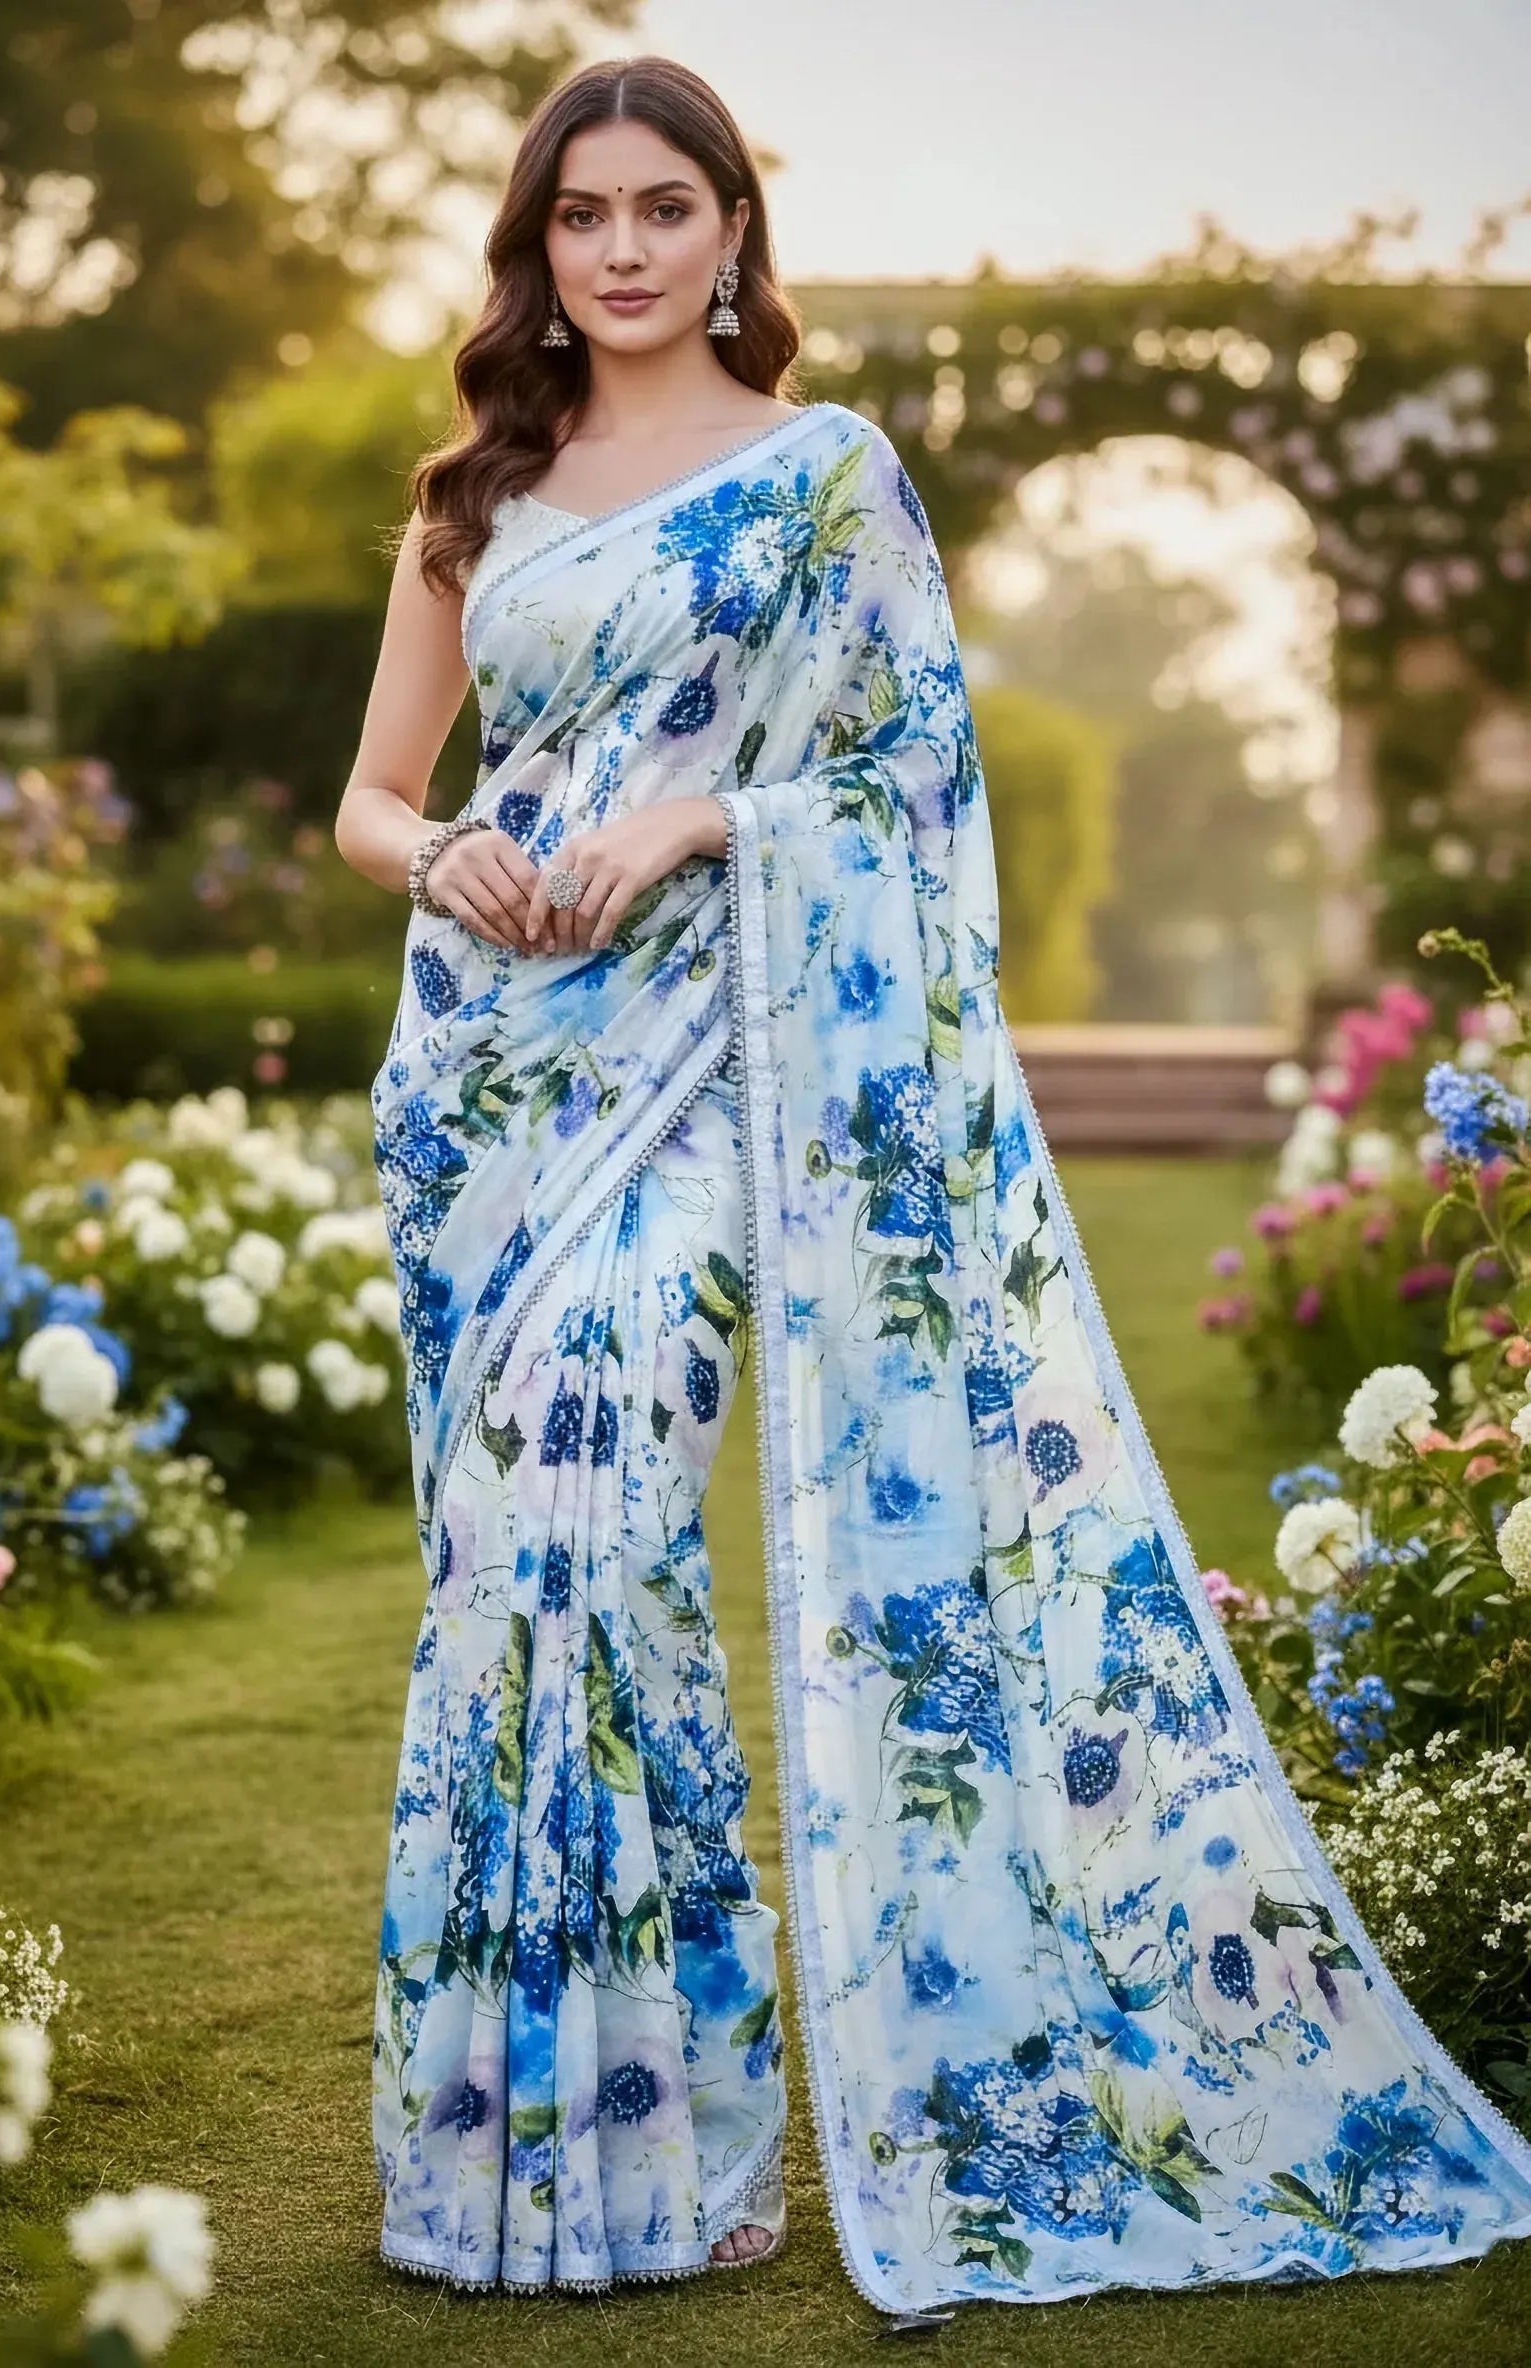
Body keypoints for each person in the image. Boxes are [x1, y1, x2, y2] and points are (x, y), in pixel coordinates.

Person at [333, 53, 1531, 2319]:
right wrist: (450, 845)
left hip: (711, 1074)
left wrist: (711, 822)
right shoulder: (471, 491)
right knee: (511, 1580)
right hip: (487, 1092)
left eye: (662, 207)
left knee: (600, 1526)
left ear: (733, 233)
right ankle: (531, 2153)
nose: (618, 249)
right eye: (578, 212)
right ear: (537, 244)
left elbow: (912, 800)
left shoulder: (826, 486)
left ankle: (656, 2138)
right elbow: (373, 799)